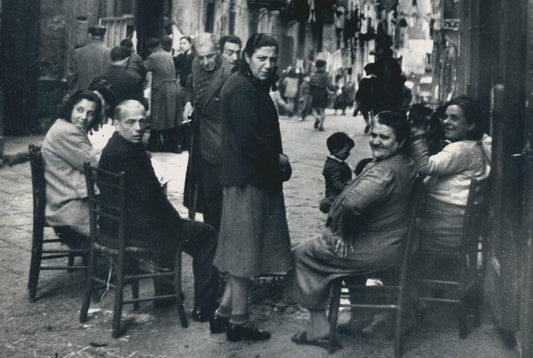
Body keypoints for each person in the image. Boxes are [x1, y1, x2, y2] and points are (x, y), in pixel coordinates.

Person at [289, 111, 416, 348]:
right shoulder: (405, 162)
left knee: (301, 255)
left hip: (377, 248)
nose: (376, 141)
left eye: (385, 137)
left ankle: (318, 327)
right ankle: (361, 316)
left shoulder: (385, 171)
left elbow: (352, 204)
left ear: (400, 142)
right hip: (390, 242)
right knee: (342, 260)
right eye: (374, 134)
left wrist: (342, 233)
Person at [98, 99, 220, 321]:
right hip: (135, 232)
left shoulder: (114, 147)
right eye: (130, 122)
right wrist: (178, 222)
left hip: (114, 227)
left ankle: (165, 294)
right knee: (207, 235)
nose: (137, 128)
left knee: (167, 224)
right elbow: (154, 204)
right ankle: (206, 307)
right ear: (116, 123)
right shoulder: (131, 154)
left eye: (142, 122)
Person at [211, 33, 293, 342]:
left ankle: (223, 314)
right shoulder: (243, 89)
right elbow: (248, 141)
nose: (268, 65)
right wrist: (279, 159)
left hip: (249, 179)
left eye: (272, 59)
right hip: (249, 180)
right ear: (247, 56)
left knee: (241, 249)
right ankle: (239, 321)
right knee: (244, 254)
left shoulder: (245, 84)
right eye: (262, 58)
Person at [410, 96, 491, 254]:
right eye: (445, 117)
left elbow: (424, 167)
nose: (446, 122)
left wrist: (418, 134)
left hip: (443, 230)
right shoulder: (476, 146)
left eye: (454, 118)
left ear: (471, 124)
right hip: (456, 226)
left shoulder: (460, 149)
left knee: (394, 231)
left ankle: (396, 275)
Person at [182, 33, 234, 230]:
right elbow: (189, 87)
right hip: (199, 140)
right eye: (201, 57)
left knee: (217, 198)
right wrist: (187, 102)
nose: (205, 62)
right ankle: (210, 237)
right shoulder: (195, 65)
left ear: (218, 52)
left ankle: (218, 243)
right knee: (201, 193)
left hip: (219, 142)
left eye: (209, 56)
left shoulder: (229, 72)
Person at [41, 90, 103, 237]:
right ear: (70, 108)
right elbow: (94, 166)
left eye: (90, 113)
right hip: (69, 208)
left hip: (67, 200)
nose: (83, 117)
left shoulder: (63, 126)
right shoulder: (67, 132)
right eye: (79, 110)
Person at [144, 38, 182, 152]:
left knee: (158, 116)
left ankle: (154, 144)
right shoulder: (168, 54)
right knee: (171, 117)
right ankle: (172, 144)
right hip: (174, 87)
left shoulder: (153, 57)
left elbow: (143, 68)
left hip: (162, 89)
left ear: (150, 48)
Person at [67, 25, 111, 94]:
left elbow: (71, 76)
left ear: (90, 35)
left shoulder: (78, 52)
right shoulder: (110, 52)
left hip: (81, 92)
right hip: (101, 94)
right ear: (103, 37)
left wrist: (73, 88)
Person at [319, 132, 354, 213]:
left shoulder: (337, 162)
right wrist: (349, 191)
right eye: (346, 152)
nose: (349, 154)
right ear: (335, 151)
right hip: (336, 197)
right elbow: (336, 184)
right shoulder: (332, 166)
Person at [87, 79, 117, 155]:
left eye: (98, 101)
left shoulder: (116, 128)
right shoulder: (83, 127)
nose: (93, 106)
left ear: (107, 105)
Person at [354, 63, 383, 133]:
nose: (366, 73)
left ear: (369, 71)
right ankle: (373, 127)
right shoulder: (379, 80)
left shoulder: (364, 80)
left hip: (365, 100)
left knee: (364, 112)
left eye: (366, 71)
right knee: (373, 115)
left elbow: (360, 91)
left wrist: (357, 99)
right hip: (376, 100)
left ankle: (368, 124)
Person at [309, 59, 337, 131]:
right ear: (323, 66)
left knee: (313, 109)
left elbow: (310, 85)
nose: (325, 67)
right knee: (322, 110)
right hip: (323, 93)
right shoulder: (325, 75)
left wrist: (311, 93)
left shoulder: (313, 75)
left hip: (315, 94)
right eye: (325, 66)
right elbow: (329, 84)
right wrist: (334, 89)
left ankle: (316, 118)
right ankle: (321, 125)